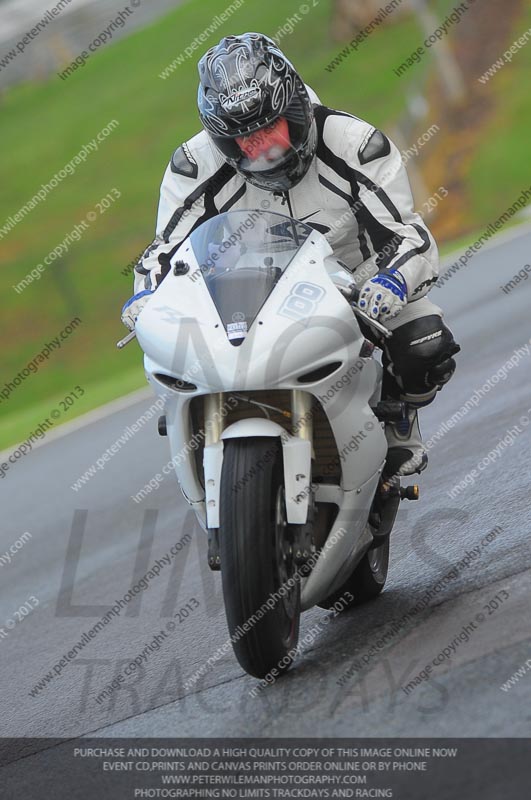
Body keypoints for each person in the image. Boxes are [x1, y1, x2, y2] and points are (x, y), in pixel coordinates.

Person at [121, 32, 460, 476]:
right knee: (177, 363)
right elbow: (165, 250)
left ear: (296, 108)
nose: (263, 151)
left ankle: (397, 416)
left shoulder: (354, 143)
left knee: (424, 345)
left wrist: (392, 279)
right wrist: (145, 295)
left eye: (270, 129)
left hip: (360, 288)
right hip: (245, 297)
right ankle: (206, 445)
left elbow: (408, 234)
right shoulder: (194, 165)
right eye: (246, 141)